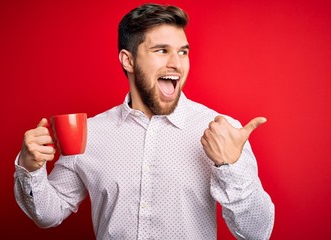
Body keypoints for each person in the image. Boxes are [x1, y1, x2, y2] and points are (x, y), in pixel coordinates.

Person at [14, 3, 274, 239]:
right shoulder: (90, 133)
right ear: (128, 60)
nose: (176, 64)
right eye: (162, 51)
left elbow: (257, 233)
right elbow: (49, 214)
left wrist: (230, 166)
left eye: (183, 52)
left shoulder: (221, 132)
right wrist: (30, 168)